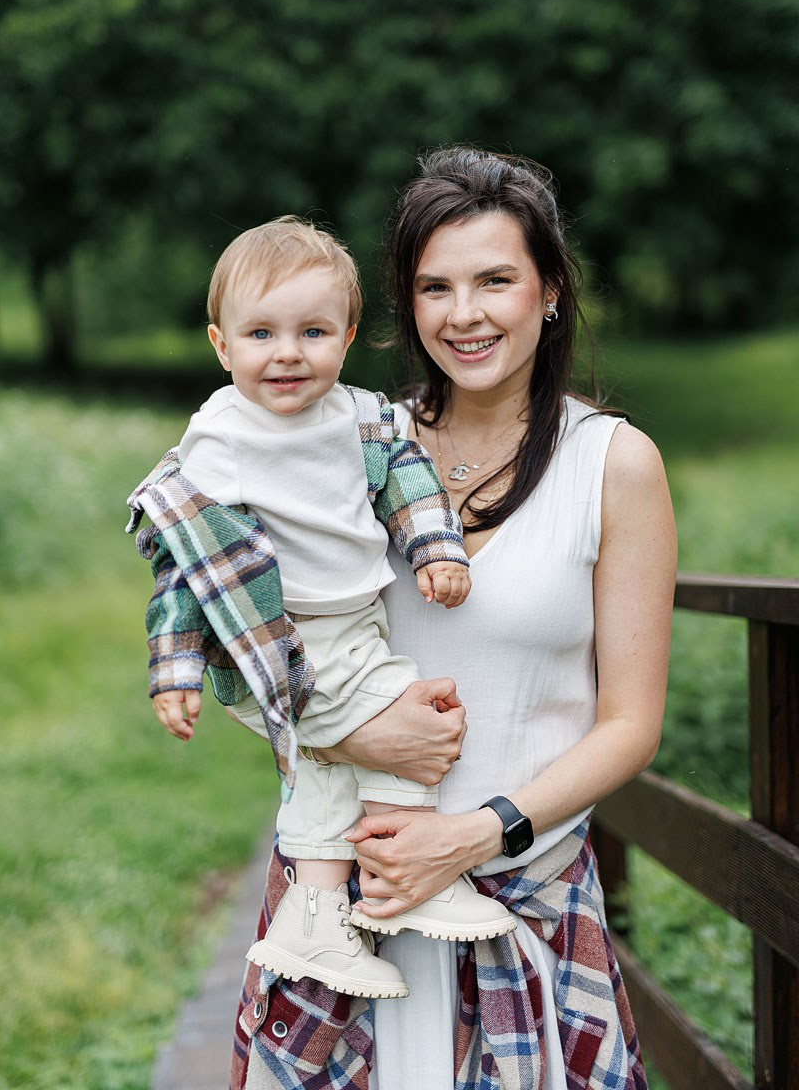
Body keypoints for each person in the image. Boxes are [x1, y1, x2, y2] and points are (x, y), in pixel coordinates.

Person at [230, 148, 677, 1090]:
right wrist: (347, 728)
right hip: (353, 889)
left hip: (521, 890)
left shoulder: (613, 465)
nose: (463, 313)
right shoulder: (347, 445)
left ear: (549, 288)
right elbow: (260, 636)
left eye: (494, 280)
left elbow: (631, 722)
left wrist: (480, 832)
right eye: (435, 286)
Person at [137, 215, 516, 1003]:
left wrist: (436, 547)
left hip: (359, 616)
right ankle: (395, 876)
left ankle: (319, 911)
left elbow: (404, 479)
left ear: (346, 337)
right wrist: (174, 667)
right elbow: (187, 561)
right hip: (284, 631)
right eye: (261, 333)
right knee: (409, 717)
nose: (287, 353)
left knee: (331, 763)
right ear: (220, 344)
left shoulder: (362, 416)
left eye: (312, 331)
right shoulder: (219, 437)